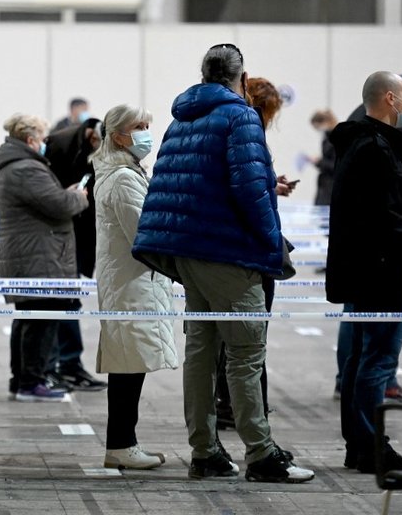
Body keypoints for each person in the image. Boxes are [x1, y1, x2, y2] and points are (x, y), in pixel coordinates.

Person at [132, 43, 314, 483]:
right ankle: (262, 453)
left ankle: (206, 452)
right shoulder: (240, 116)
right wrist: (273, 246)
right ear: (241, 77)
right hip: (229, 253)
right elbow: (250, 190)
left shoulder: (182, 119)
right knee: (246, 354)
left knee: (201, 353)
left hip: (189, 251)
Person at [326, 71, 402, 475]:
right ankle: (368, 445)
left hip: (365, 269)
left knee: (360, 360)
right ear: (390, 99)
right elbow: (387, 217)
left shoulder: (360, 143)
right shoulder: (376, 149)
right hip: (382, 270)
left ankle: (361, 444)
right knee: (376, 361)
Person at [91, 104, 178, 470]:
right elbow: (143, 234)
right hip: (132, 283)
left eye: (147, 125)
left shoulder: (126, 173)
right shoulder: (123, 178)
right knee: (128, 365)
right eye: (137, 127)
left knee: (131, 362)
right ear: (117, 136)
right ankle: (122, 443)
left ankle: (124, 442)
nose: (145, 133)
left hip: (132, 281)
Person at [213, 77, 296, 436]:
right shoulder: (246, 131)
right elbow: (245, 193)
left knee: (221, 339)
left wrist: (268, 183)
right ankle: (248, 419)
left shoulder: (220, 126)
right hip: (248, 250)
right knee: (248, 340)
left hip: (225, 249)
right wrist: (270, 241)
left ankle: (230, 407)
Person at [0, 113, 89, 402]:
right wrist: (80, 196)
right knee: (41, 321)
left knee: (29, 320)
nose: (46, 144)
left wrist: (65, 194)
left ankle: (22, 379)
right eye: (43, 138)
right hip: (39, 257)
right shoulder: (26, 169)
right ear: (31, 139)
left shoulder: (16, 166)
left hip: (31, 255)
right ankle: (31, 382)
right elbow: (59, 205)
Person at [43, 118, 108, 392]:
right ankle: (65, 365)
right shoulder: (61, 144)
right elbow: (52, 197)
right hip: (63, 234)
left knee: (69, 300)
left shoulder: (99, 147)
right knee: (64, 301)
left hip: (83, 235)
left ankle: (65, 364)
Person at [310, 109, 337, 207]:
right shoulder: (326, 138)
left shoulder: (337, 138)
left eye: (317, 127)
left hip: (332, 185)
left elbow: (336, 165)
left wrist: (320, 162)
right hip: (325, 183)